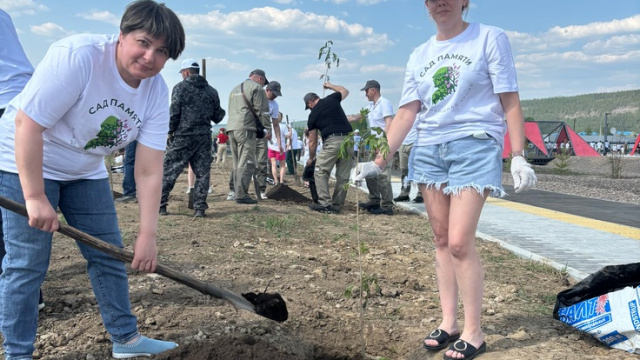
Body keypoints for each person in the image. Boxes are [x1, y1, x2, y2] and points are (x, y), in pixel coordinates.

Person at [0, 1, 185, 358]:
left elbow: (147, 168)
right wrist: (36, 196)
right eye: (143, 42)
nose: (150, 57)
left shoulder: (156, 92)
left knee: (108, 255)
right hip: (21, 158)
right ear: (122, 35)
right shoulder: (79, 56)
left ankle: (126, 340)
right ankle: (18, 353)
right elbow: (28, 124)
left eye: (162, 51)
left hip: (84, 169)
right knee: (27, 263)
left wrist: (147, 235)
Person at [355, 1, 537, 358]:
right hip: (428, 149)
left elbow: (509, 98)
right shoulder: (419, 54)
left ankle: (474, 330)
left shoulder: (488, 38)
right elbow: (408, 112)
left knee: (458, 242)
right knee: (440, 239)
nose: (441, 2)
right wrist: (379, 162)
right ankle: (449, 321)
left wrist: (518, 154)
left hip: (475, 144)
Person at [0, 8, 46, 313]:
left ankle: (21, 297)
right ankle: (27, 295)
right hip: (20, 103)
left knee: (12, 212)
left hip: (8, 107)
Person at [160, 58, 224, 217]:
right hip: (203, 137)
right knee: (202, 173)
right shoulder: (212, 91)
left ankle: (160, 205)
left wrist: (169, 131)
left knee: (169, 170)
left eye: (182, 73)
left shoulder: (180, 88)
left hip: (183, 136)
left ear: (186, 72)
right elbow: (218, 116)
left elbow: (174, 112)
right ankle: (200, 209)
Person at [304, 82, 353, 214]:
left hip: (332, 141)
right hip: (349, 140)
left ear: (310, 103)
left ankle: (325, 203)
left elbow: (312, 141)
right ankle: (337, 206)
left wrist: (311, 158)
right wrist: (330, 86)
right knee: (343, 176)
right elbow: (345, 90)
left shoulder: (312, 115)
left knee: (320, 171)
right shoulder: (332, 99)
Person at [348, 80, 395, 215]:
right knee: (370, 172)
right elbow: (357, 116)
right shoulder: (370, 106)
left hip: (383, 144)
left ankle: (387, 205)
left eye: (366, 91)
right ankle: (374, 200)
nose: (365, 94)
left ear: (373, 90)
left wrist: (382, 142)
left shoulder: (384, 103)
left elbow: (389, 122)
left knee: (383, 175)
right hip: (373, 143)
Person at [226, 69, 271, 204]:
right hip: (246, 128)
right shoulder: (257, 88)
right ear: (260, 79)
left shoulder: (234, 89)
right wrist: (266, 129)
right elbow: (262, 110)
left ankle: (233, 191)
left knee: (236, 162)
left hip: (231, 128)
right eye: (263, 84)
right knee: (247, 162)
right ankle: (241, 194)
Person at [264, 81, 284, 190]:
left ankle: (263, 186)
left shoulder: (274, 105)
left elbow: (276, 125)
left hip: (265, 136)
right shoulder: (259, 99)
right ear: (267, 90)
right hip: (253, 132)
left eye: (277, 94)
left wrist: (279, 142)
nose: (275, 96)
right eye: (273, 94)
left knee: (264, 161)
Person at [393, 121, 419, 202]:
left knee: (418, 170)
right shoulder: (404, 112)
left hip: (415, 143)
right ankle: (404, 193)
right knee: (404, 170)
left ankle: (421, 194)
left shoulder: (420, 112)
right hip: (403, 143)